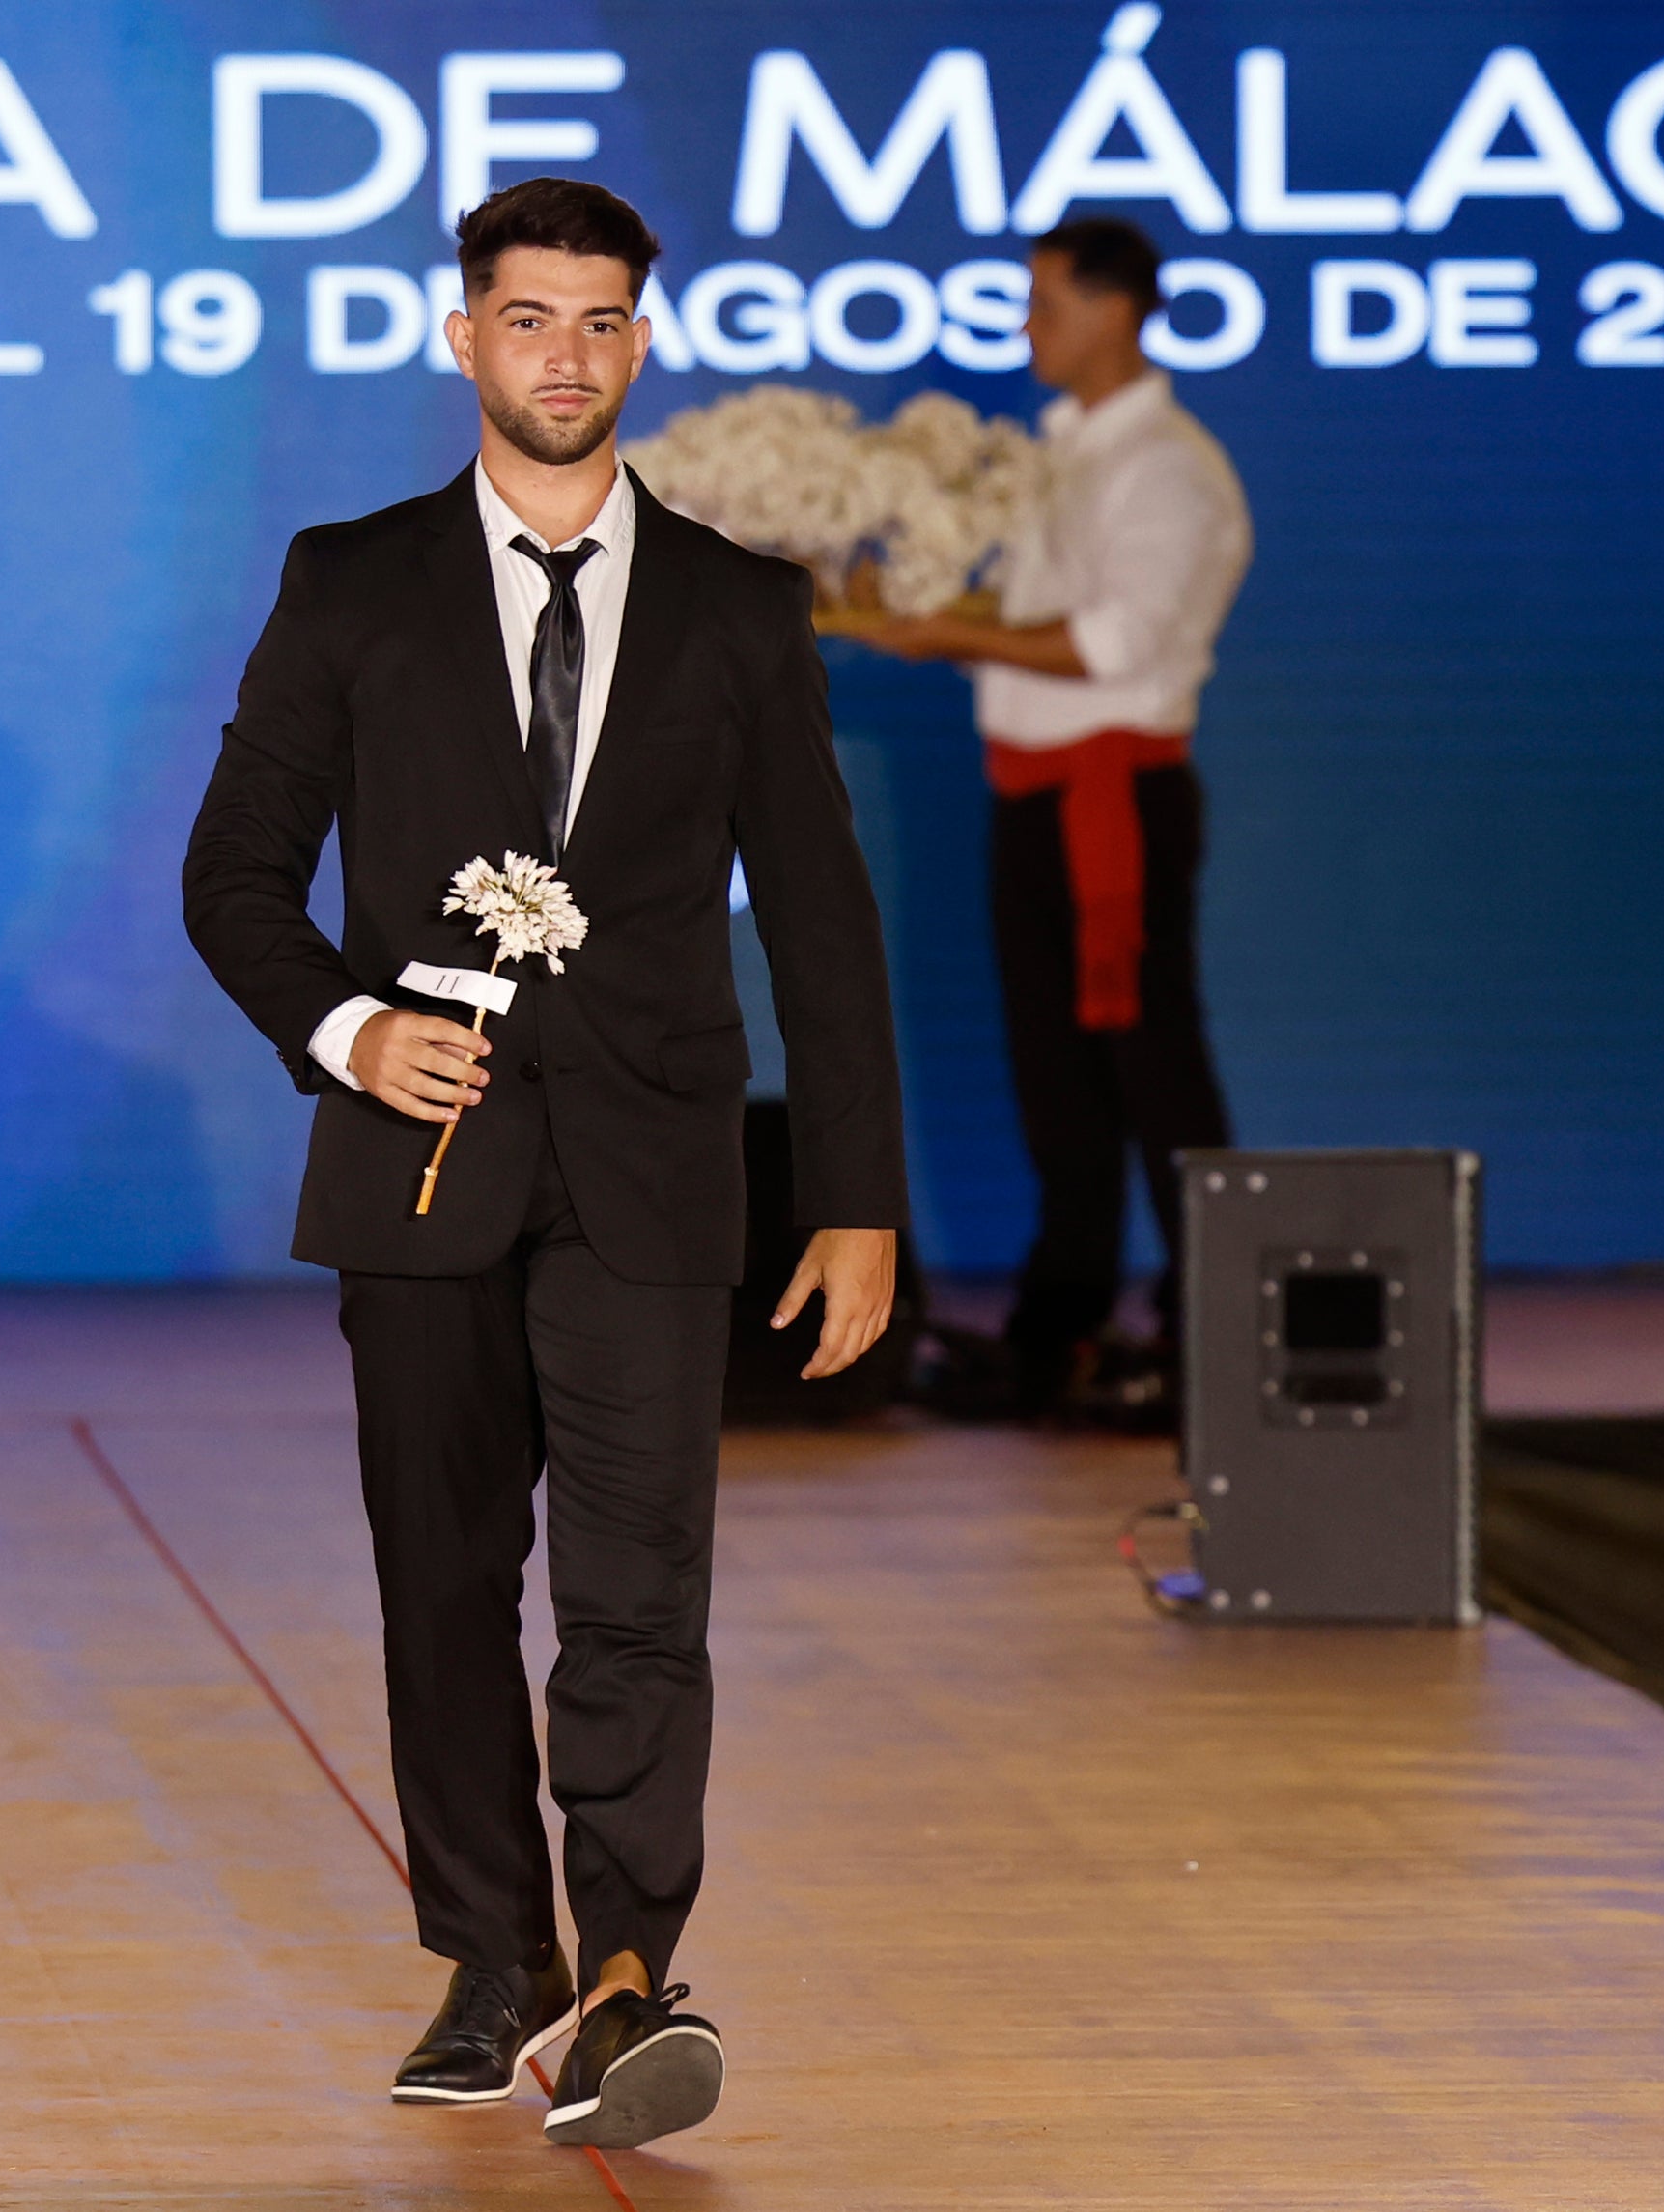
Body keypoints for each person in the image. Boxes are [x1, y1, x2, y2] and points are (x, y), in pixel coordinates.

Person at [183, 178, 907, 2152]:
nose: (563, 354)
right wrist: (347, 1028)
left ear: (639, 341)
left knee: (637, 1584)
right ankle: (484, 1952)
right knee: (442, 1575)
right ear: (465, 337)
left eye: (598, 320)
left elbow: (822, 917)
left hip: (658, 1169)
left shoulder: (740, 605)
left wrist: (855, 1195)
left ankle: (624, 1972)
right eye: (527, 318)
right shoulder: (352, 580)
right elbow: (232, 874)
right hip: (417, 1163)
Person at [864, 215, 1251, 1422]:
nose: (1026, 324)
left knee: (1152, 1066)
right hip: (1034, 794)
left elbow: (1113, 644)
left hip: (1114, 800)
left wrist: (940, 630)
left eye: (1042, 301)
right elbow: (1034, 616)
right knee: (1056, 1083)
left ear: (1114, 308)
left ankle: (1218, 1321)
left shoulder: (1170, 467)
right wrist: (893, 607)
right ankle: (1064, 1319)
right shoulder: (1066, 452)